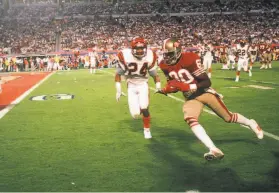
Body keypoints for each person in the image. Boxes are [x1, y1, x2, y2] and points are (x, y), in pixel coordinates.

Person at [156, 38, 263, 161]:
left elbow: (206, 82)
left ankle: (251, 123)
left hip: (204, 92)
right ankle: (213, 149)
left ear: (178, 50)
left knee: (228, 117)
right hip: (190, 97)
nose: (168, 57)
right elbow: (174, 84)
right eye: (166, 54)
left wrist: (188, 86)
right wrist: (167, 89)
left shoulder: (190, 58)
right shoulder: (164, 64)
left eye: (170, 54)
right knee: (190, 118)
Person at [115, 37, 161, 139]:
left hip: (143, 84)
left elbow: (155, 75)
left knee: (144, 107)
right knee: (135, 114)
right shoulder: (125, 56)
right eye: (137, 48)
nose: (140, 51)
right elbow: (118, 74)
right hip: (131, 85)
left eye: (142, 48)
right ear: (132, 49)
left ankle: (147, 130)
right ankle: (140, 107)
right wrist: (118, 90)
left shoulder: (150, 56)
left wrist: (158, 86)